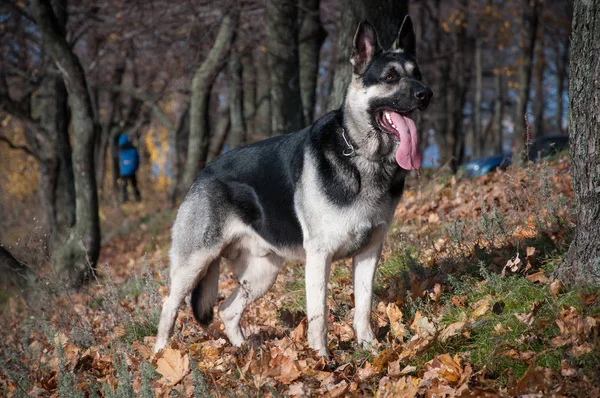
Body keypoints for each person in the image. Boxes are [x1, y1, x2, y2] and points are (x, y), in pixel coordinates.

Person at [117, 133, 141, 202]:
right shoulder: (133, 149)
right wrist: (136, 167)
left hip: (123, 172)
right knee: (134, 184)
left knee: (123, 185)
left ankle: (123, 199)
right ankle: (137, 198)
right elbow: (137, 159)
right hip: (132, 170)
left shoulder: (120, 151)